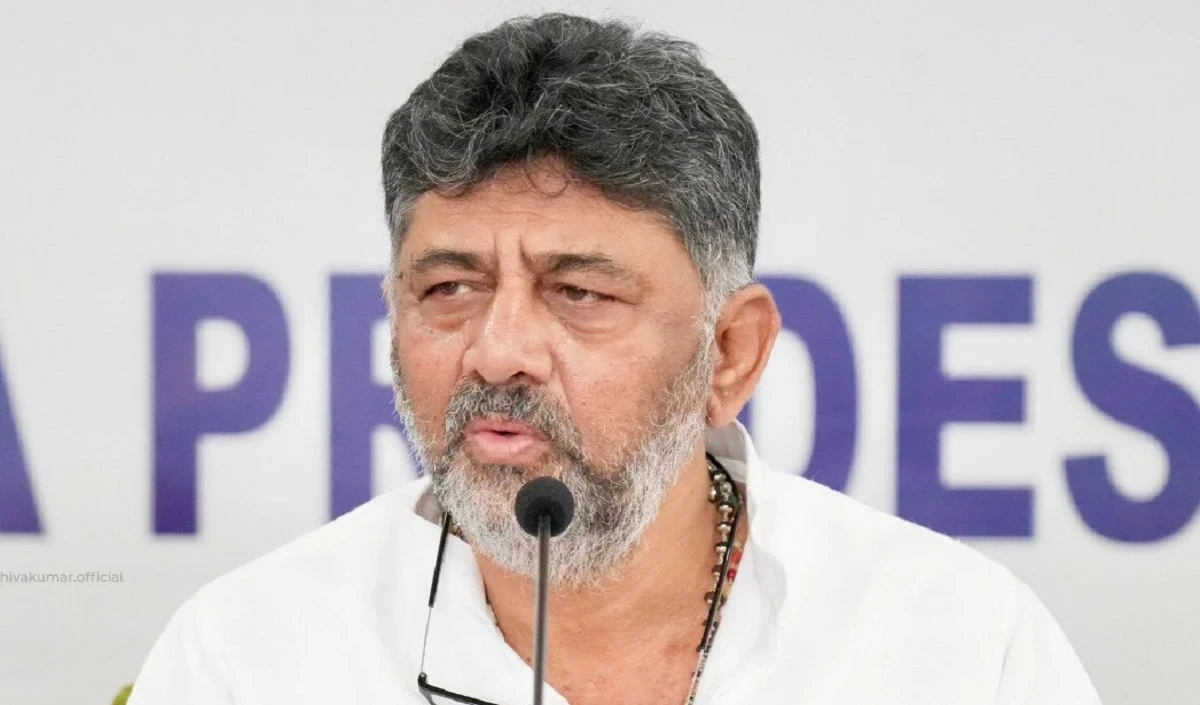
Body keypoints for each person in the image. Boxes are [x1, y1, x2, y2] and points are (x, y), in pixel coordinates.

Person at [128, 13, 1101, 705]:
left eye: (579, 292)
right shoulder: (247, 657)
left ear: (730, 352)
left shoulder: (961, 649)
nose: (497, 351)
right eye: (450, 288)